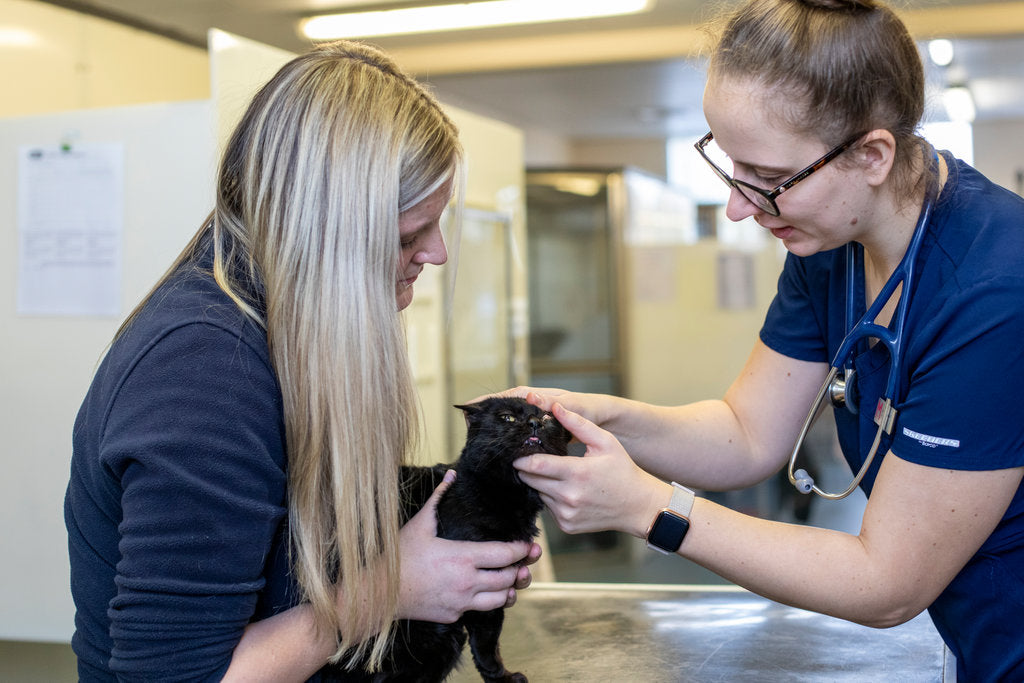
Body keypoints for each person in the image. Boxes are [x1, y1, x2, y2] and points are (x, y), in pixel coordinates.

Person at [505, 1, 1024, 679]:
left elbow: (888, 582)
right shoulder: (829, 244)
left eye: (772, 179)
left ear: (872, 155)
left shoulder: (994, 289)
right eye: (730, 166)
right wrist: (601, 419)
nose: (738, 207)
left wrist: (650, 507)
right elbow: (746, 431)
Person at [64, 40, 539, 682]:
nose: (436, 254)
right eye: (408, 235)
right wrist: (387, 589)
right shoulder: (206, 374)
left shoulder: (273, 331)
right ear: (326, 232)